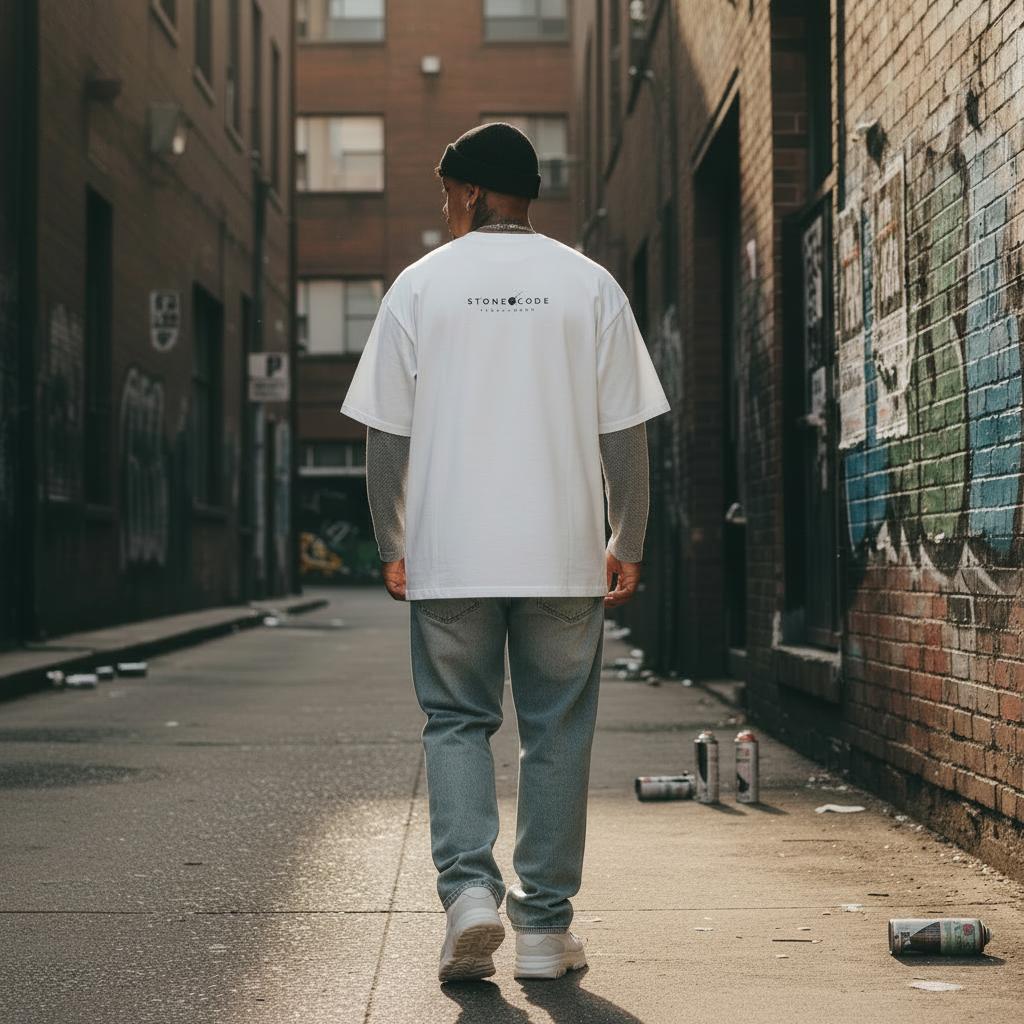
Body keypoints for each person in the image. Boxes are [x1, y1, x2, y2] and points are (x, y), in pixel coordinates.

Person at [340, 122, 670, 984]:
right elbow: (624, 429)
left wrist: (392, 539)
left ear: (477, 192)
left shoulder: (419, 286)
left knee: (457, 720)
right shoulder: (588, 284)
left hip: (451, 553)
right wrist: (626, 536)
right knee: (557, 731)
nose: (445, 207)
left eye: (450, 192)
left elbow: (386, 435)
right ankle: (541, 930)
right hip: (562, 552)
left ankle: (468, 898)